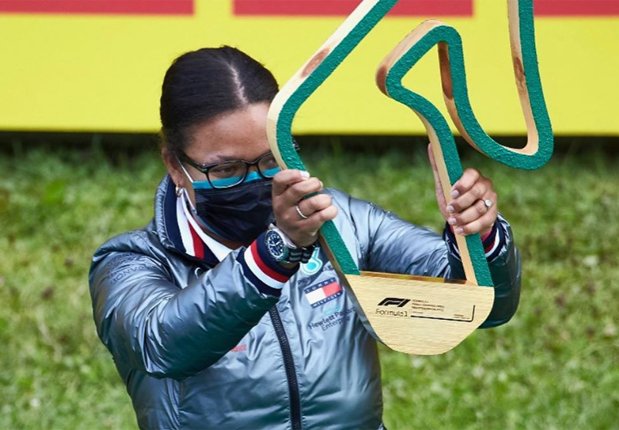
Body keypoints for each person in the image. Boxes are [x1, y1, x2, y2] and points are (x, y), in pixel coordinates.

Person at [89, 46, 520, 430]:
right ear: (173, 164)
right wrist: (278, 249)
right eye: (225, 170)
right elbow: (163, 346)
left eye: (270, 158)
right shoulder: (130, 261)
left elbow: (482, 305)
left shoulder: (341, 221)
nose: (255, 180)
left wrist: (478, 236)